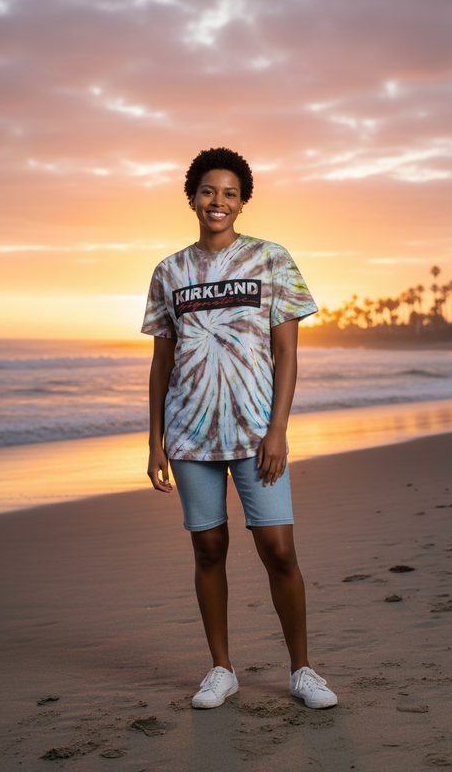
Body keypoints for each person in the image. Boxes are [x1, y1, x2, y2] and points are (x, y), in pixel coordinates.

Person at [141, 147, 338, 710]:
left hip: (256, 434)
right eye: (208, 191)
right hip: (189, 435)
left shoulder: (272, 260)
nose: (217, 202)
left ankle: (303, 670)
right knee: (209, 548)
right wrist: (154, 440)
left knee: (278, 549)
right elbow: (162, 360)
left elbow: (286, 352)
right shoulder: (170, 271)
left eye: (229, 193)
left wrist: (277, 430)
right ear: (192, 198)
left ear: (243, 200)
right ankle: (221, 669)